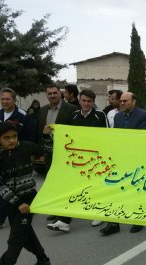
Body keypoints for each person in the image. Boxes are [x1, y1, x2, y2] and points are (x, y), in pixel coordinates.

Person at [0, 121, 52, 265]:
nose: (12, 140)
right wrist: (18, 203)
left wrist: (46, 136)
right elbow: (0, 186)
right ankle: (42, 258)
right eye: (7, 137)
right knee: (25, 232)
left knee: (16, 237)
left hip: (29, 198)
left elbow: (47, 151)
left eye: (14, 136)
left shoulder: (27, 146)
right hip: (12, 203)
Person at [46, 89, 108, 232]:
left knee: (95, 187)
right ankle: (64, 221)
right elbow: (67, 135)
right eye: (84, 101)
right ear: (79, 101)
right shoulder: (73, 116)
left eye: (89, 101)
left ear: (93, 102)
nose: (86, 104)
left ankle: (98, 213)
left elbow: (107, 137)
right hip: (78, 159)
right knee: (71, 189)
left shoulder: (100, 115)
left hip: (95, 159)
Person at [0, 88, 37, 232]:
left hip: (18, 156)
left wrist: (30, 154)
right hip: (0, 157)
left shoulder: (22, 116)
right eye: (2, 99)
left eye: (8, 99)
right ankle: (30, 201)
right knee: (11, 187)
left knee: (8, 187)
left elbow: (31, 135)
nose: (5, 101)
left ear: (14, 100)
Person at [100, 92, 146, 235]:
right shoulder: (117, 116)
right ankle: (113, 223)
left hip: (138, 159)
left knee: (137, 190)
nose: (121, 103)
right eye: (120, 101)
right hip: (121, 159)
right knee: (116, 189)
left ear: (134, 101)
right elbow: (116, 137)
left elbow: (141, 137)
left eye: (125, 101)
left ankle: (139, 219)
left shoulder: (143, 115)